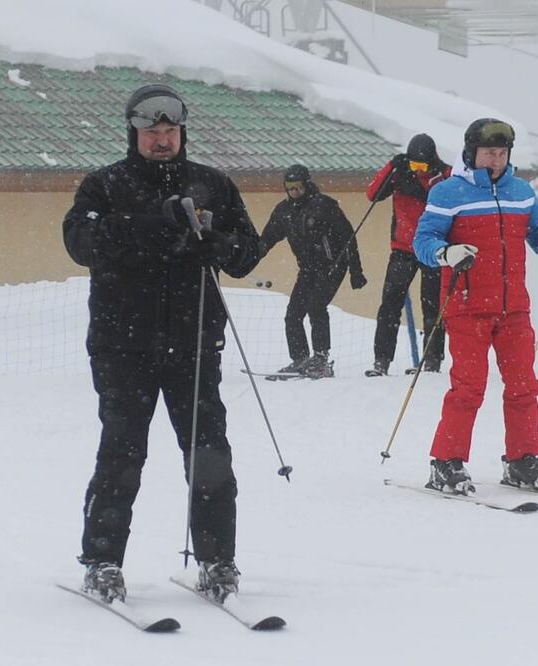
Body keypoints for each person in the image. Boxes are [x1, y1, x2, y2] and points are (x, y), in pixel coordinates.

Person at [63, 84, 260, 603]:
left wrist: (219, 244)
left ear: (181, 131)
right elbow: (81, 243)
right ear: (134, 132)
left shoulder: (212, 184)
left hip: (194, 344)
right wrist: (156, 225)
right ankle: (102, 561)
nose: (161, 139)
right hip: (122, 345)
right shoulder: (104, 185)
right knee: (122, 455)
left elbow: (247, 252)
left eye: (169, 131)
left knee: (208, 455)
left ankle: (218, 562)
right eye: (151, 131)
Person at [413, 118, 538, 495]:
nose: (496, 160)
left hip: (514, 307)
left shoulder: (521, 191)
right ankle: (446, 462)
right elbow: (423, 240)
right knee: (468, 388)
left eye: (502, 154)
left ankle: (521, 459)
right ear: (471, 153)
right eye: (489, 153)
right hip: (467, 305)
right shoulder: (448, 193)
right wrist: (446, 252)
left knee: (523, 386)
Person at [259, 164, 367, 378]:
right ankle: (300, 359)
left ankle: (320, 358)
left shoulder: (324, 205)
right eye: (290, 188)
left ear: (307, 184)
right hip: (308, 269)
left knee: (316, 306)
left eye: (298, 187)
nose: (295, 192)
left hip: (332, 266)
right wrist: (247, 258)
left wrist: (356, 270)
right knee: (293, 313)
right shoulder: (284, 211)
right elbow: (267, 239)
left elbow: (348, 237)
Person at [365, 134, 451, 377]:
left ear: (432, 160)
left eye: (422, 166)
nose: (418, 170)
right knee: (389, 305)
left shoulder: (445, 175)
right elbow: (373, 194)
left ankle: (432, 361)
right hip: (402, 249)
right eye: (414, 165)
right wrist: (393, 165)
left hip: (434, 250)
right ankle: (381, 360)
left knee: (432, 307)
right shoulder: (400, 171)